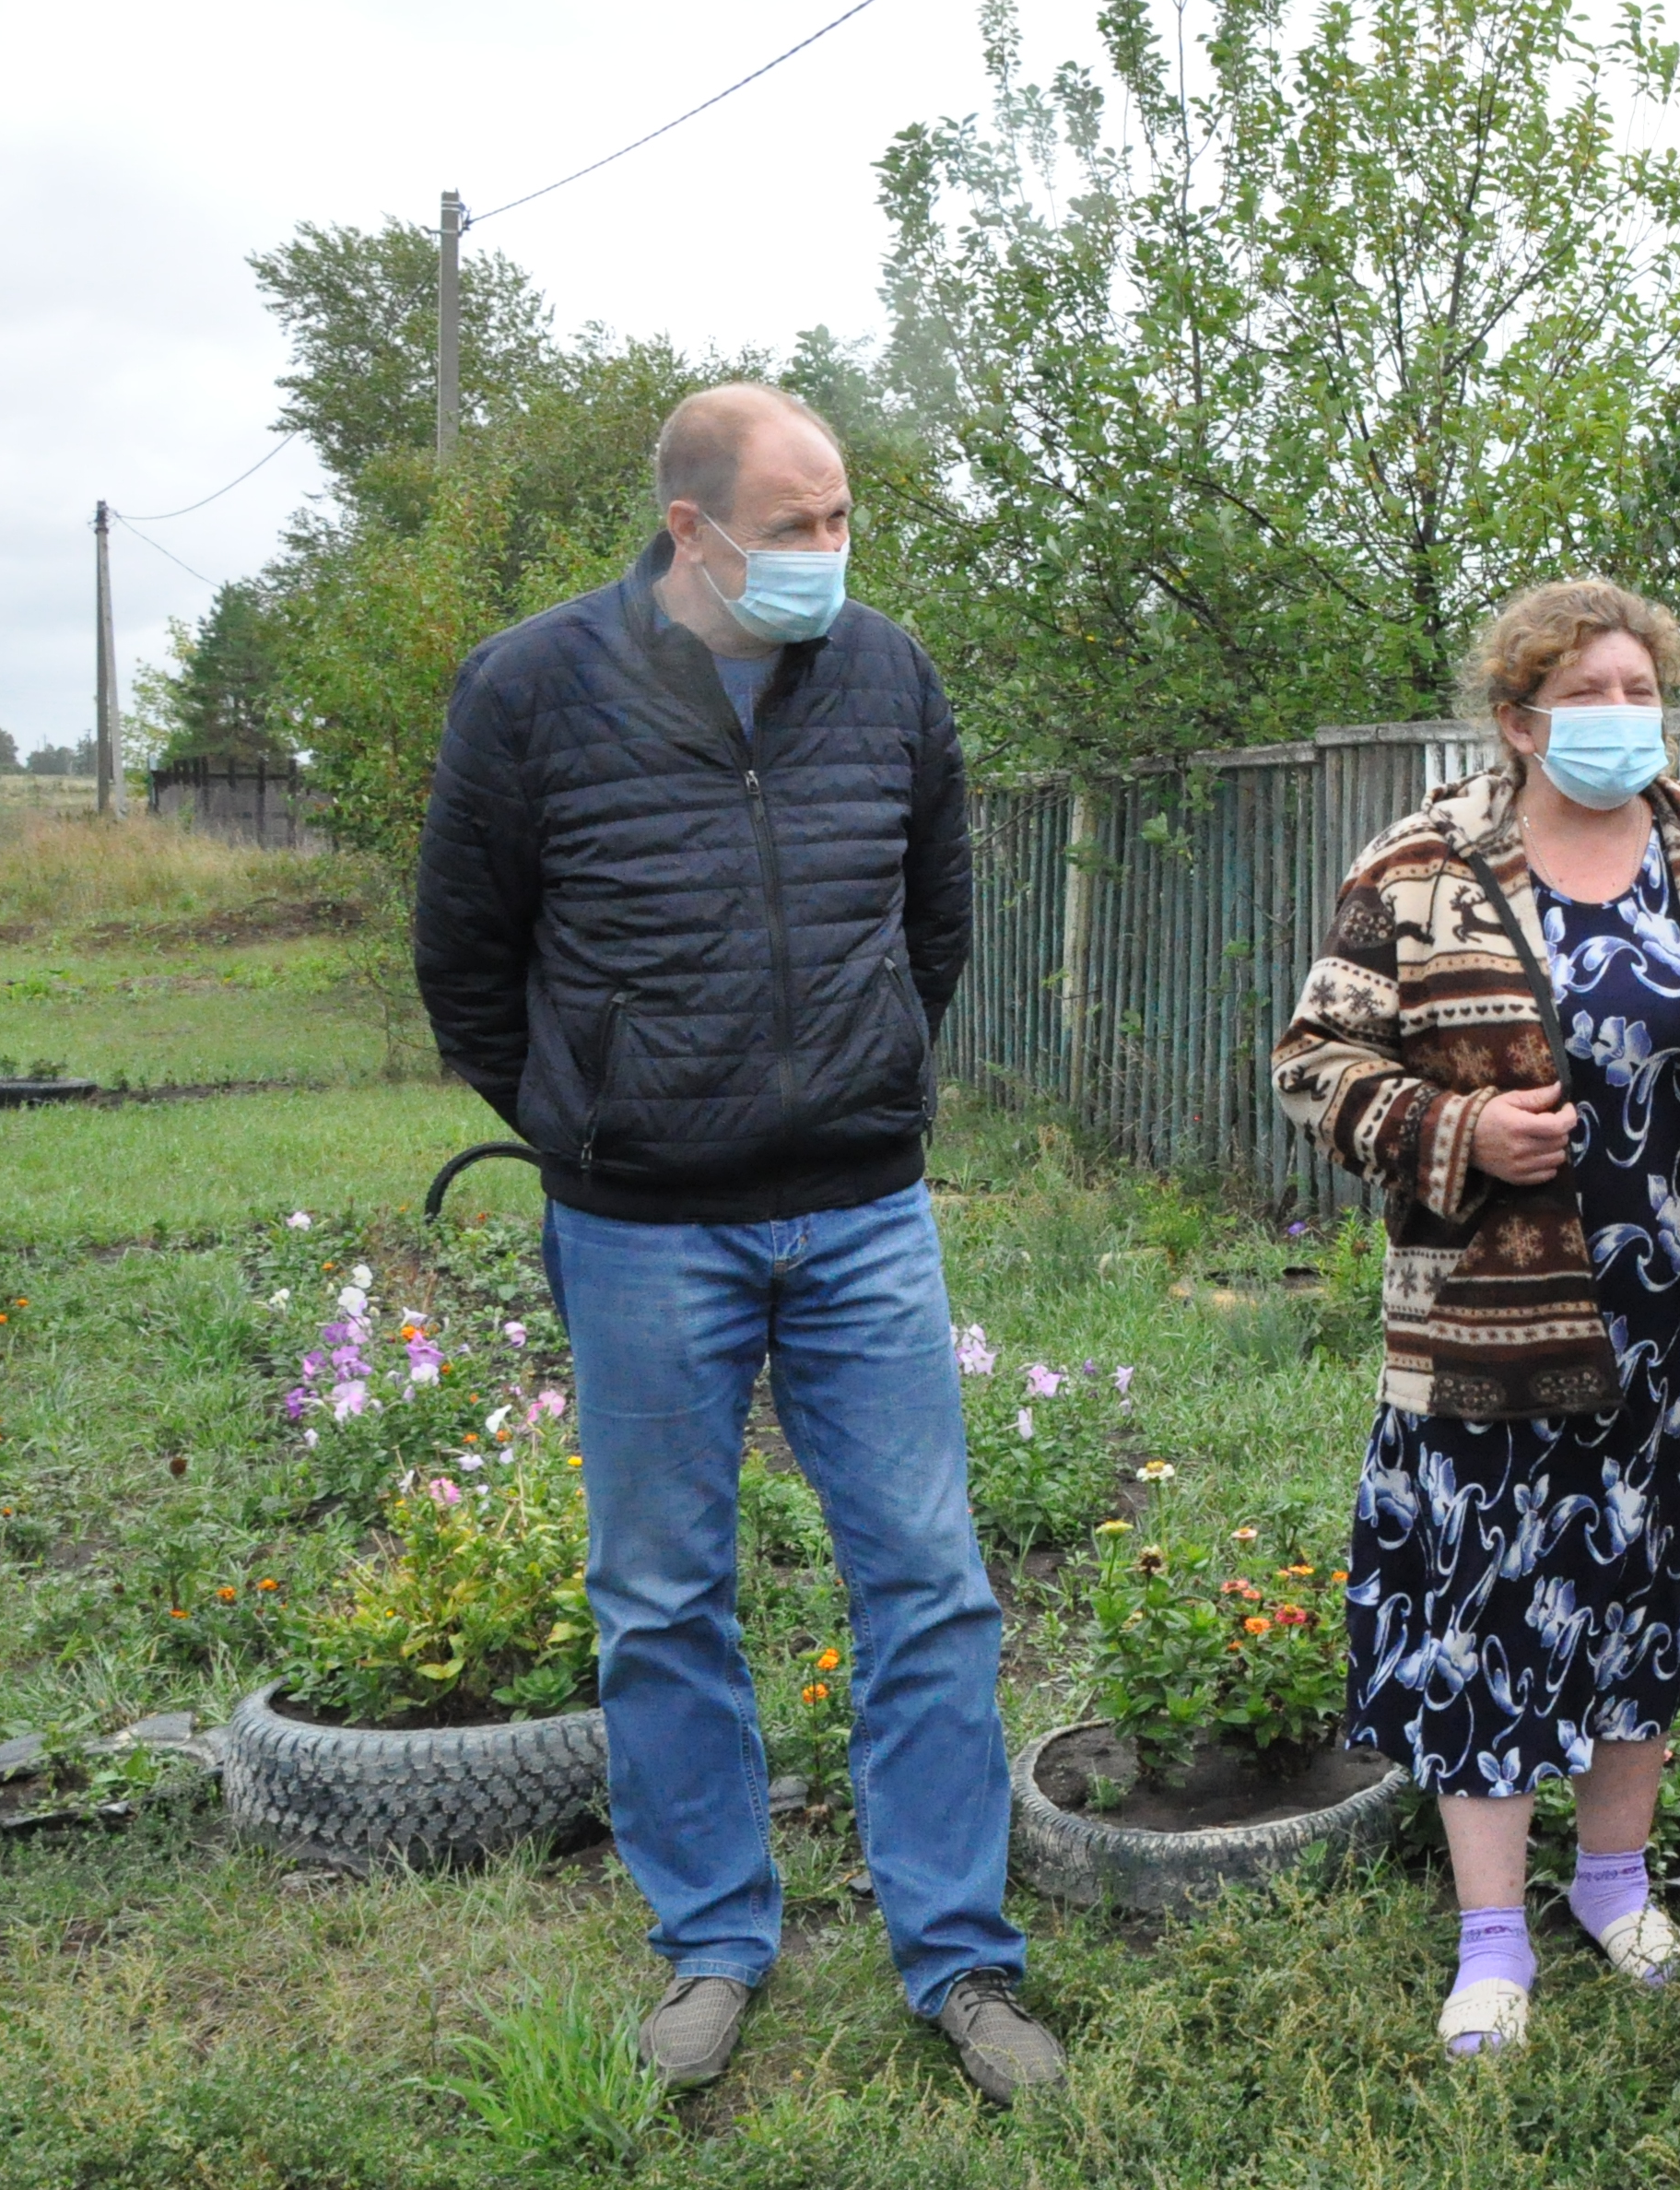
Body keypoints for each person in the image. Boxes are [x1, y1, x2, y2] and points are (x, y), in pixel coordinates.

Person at [412, 383, 1062, 2107]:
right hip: (639, 1228)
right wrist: (585, 1117)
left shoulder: (890, 675)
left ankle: (960, 1955)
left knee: (927, 1579)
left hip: (861, 1209)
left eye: (843, 517)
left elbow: (935, 925)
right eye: (797, 526)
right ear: (691, 529)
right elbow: (468, 961)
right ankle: (712, 1939)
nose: (831, 554)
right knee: (658, 1597)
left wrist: (867, 1083)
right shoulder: (532, 686)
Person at [1273, 578, 1680, 2057]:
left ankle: (1613, 1883)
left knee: (1653, 1597)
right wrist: (1457, 1131)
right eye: (1587, 695)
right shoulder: (1423, 866)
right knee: (1485, 1615)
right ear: (1516, 718)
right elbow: (1315, 1060)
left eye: (1640, 688)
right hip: (1494, 1328)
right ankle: (1492, 1933)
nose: (1622, 717)